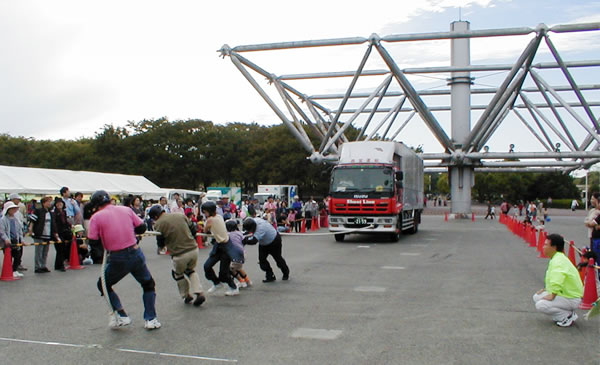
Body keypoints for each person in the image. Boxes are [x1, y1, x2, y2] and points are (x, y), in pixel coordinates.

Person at [87, 190, 161, 330]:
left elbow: (93, 242)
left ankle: (121, 314)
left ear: (96, 204)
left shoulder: (96, 217)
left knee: (103, 284)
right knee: (148, 284)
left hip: (117, 256)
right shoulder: (125, 209)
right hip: (135, 252)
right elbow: (141, 227)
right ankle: (150, 318)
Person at [149, 205, 206, 306]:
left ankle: (186, 295)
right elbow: (193, 228)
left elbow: (160, 241)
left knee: (178, 274)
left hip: (179, 254)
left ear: (155, 216)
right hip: (193, 249)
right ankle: (199, 291)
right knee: (191, 271)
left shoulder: (158, 224)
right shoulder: (180, 215)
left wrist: (161, 247)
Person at [533, 233, 583, 327]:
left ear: (554, 247)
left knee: (541, 305)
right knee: (537, 297)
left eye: (546, 245)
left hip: (571, 297)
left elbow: (557, 279)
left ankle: (566, 316)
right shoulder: (558, 258)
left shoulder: (558, 261)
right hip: (567, 294)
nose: (543, 247)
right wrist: (546, 289)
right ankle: (565, 312)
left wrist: (552, 294)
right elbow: (553, 279)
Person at [201, 201, 239, 296]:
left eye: (205, 212)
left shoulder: (210, 220)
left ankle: (233, 288)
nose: (204, 214)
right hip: (218, 245)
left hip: (226, 246)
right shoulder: (219, 216)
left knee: (223, 273)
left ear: (209, 211)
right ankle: (217, 283)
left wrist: (204, 227)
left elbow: (205, 230)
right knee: (207, 266)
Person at [242, 211, 290, 283]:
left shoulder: (261, 228)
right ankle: (270, 275)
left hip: (274, 241)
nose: (250, 231)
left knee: (278, 258)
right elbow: (246, 232)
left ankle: (286, 272)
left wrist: (244, 241)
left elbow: (253, 241)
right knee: (262, 260)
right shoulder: (251, 220)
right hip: (263, 243)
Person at [28, 196, 59, 273]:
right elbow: (32, 220)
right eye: (48, 202)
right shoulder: (38, 211)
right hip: (39, 233)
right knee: (39, 251)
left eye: (50, 202)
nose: (49, 203)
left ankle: (43, 265)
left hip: (48, 234)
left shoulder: (50, 213)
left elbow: (53, 224)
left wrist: (55, 233)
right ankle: (37, 266)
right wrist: (30, 229)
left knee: (45, 251)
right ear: (43, 203)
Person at [0, 202, 25, 278]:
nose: (14, 210)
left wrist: (22, 239)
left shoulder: (16, 219)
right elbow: (2, 231)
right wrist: (6, 239)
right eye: (12, 209)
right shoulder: (3, 219)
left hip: (15, 239)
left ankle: (15, 270)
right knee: (9, 256)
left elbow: (19, 230)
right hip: (7, 241)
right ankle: (10, 270)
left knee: (17, 255)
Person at [225, 220, 250, 288]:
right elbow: (244, 241)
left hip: (236, 255)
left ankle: (241, 281)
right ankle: (247, 280)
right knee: (239, 268)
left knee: (230, 269)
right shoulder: (239, 233)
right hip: (242, 252)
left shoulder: (228, 234)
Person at [52, 198, 71, 272]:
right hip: (57, 232)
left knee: (63, 248)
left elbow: (65, 221)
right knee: (59, 248)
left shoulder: (64, 212)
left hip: (64, 231)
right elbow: (54, 224)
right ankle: (60, 265)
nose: (59, 205)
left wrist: (70, 225)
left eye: (61, 203)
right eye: (58, 204)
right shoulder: (54, 213)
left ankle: (59, 264)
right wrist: (55, 233)